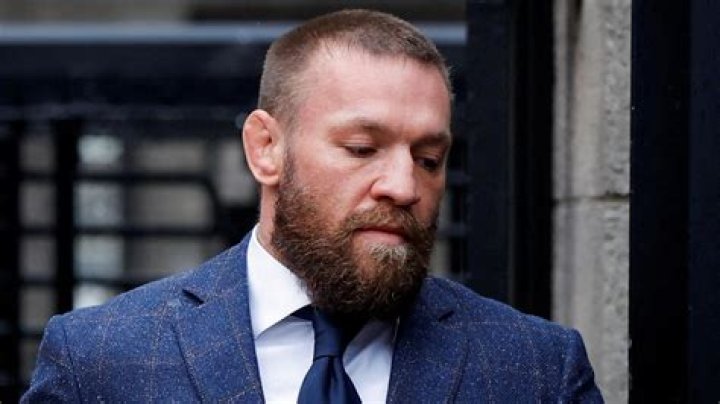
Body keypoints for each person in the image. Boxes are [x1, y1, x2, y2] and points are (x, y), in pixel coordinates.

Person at [22, 9, 603, 403]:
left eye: (429, 158)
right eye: (362, 149)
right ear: (265, 149)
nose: (404, 186)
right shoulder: (103, 359)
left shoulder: (536, 369)